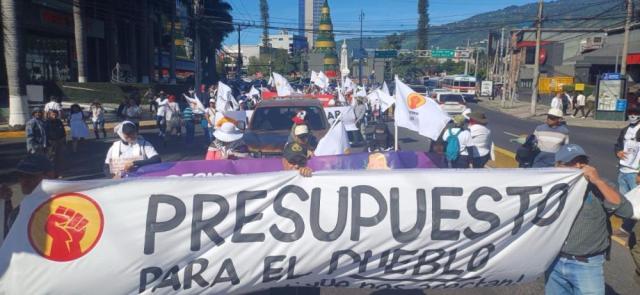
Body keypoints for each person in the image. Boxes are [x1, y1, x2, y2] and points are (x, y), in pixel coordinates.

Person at [545, 144, 633, 295]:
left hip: (586, 264)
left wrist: (598, 182)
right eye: (571, 163)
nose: (579, 166)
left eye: (582, 161)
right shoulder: (549, 187)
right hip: (554, 260)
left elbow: (626, 211)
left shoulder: (601, 186)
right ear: (558, 165)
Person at [0, 154, 54, 236]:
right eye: (21, 175)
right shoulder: (21, 209)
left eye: (30, 176)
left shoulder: (61, 203)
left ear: (49, 175)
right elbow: (11, 231)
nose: (24, 181)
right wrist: (6, 202)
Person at [44, 109, 66, 177]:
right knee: (51, 159)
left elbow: (63, 131)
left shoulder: (59, 121)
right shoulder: (46, 122)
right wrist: (47, 143)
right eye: (53, 114)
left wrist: (63, 140)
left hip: (60, 141)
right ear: (49, 115)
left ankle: (58, 173)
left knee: (59, 158)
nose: (55, 115)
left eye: (56, 114)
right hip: (51, 142)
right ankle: (51, 173)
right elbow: (45, 134)